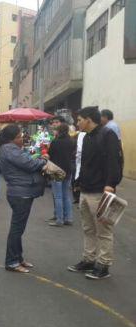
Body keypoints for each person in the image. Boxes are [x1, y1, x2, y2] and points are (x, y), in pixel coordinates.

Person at [68, 107, 122, 280]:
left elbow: (115, 161)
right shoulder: (87, 137)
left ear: (89, 119)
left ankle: (103, 265)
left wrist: (110, 185)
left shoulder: (107, 135)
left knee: (103, 230)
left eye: (79, 120)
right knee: (87, 228)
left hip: (100, 191)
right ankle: (89, 260)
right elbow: (85, 163)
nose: (77, 123)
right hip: (85, 190)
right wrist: (78, 183)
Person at [0, 125, 48, 273]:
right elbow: (30, 164)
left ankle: (18, 258)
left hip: (22, 191)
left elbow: (26, 160)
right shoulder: (9, 149)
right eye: (19, 137)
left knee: (19, 228)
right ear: (11, 139)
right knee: (17, 229)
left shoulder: (11, 149)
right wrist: (43, 161)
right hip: (20, 192)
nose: (22, 139)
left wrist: (37, 157)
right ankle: (12, 262)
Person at [48, 124, 76, 227]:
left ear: (59, 131)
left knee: (58, 196)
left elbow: (50, 154)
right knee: (66, 195)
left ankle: (59, 220)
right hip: (68, 170)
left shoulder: (55, 142)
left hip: (56, 170)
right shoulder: (72, 141)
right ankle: (69, 218)